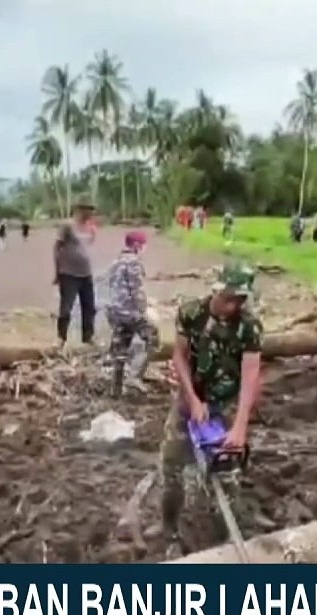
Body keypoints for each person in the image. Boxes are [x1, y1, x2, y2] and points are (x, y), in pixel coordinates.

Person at [161, 263, 263, 558]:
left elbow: (251, 374)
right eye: (228, 298)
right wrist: (192, 399)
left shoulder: (248, 326)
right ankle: (170, 531)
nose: (232, 306)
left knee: (228, 476)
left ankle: (226, 539)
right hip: (189, 400)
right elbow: (179, 355)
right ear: (215, 290)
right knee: (172, 470)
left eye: (239, 300)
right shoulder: (191, 313)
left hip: (226, 403)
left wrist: (241, 425)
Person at [107, 230, 160, 394]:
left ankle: (115, 388)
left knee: (120, 346)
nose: (144, 248)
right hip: (130, 311)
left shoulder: (116, 261)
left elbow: (114, 287)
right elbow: (136, 290)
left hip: (115, 311)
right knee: (152, 338)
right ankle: (134, 377)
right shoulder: (133, 262)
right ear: (137, 245)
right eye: (143, 244)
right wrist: (144, 309)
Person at [54, 197, 98, 349]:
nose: (91, 213)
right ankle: (61, 338)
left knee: (90, 307)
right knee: (66, 308)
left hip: (86, 273)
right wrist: (57, 271)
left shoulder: (88, 227)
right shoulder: (67, 226)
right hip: (69, 273)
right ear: (80, 210)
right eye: (89, 210)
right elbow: (57, 248)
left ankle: (88, 337)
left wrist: (93, 233)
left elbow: (86, 246)